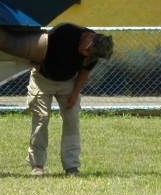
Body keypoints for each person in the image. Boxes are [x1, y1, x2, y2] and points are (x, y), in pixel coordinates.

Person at [25, 23, 114, 177]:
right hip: (42, 80)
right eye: (88, 52)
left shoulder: (95, 50)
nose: (87, 56)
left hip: (68, 83)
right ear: (90, 37)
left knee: (72, 120)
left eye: (90, 56)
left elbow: (84, 71)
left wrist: (75, 92)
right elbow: (40, 44)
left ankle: (71, 166)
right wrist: (37, 64)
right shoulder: (64, 31)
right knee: (41, 119)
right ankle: (37, 165)